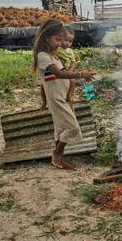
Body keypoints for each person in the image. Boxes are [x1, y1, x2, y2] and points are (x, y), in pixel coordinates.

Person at [33, 19, 95, 169]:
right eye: (57, 39)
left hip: (63, 96)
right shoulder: (43, 56)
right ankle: (57, 154)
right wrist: (80, 74)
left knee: (61, 128)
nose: (60, 43)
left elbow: (65, 71)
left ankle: (58, 158)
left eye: (61, 39)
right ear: (47, 38)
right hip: (57, 98)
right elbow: (59, 74)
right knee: (72, 127)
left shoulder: (53, 54)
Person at [40, 26, 77, 109]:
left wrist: (71, 70)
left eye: (70, 41)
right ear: (60, 38)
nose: (68, 43)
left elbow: (74, 62)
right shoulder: (56, 48)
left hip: (66, 71)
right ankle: (44, 102)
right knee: (43, 85)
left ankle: (70, 96)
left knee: (73, 81)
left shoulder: (70, 51)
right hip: (55, 71)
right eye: (66, 40)